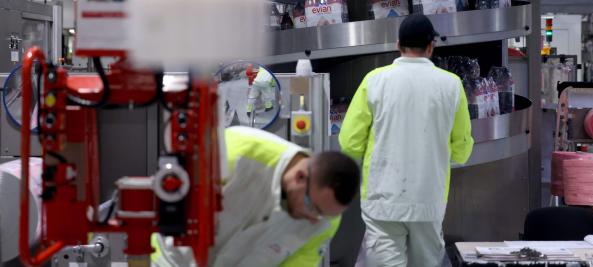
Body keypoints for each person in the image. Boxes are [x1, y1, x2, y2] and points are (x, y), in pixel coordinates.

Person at [339, 14, 474, 267]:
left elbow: (350, 143)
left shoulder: (374, 80)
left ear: (398, 44)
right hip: (428, 199)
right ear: (431, 46)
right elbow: (462, 148)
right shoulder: (452, 85)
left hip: (383, 200)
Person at [153, 126, 360, 267]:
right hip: (170, 261)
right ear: (300, 176)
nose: (314, 220)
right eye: (311, 206)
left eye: (323, 215)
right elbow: (170, 205)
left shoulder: (326, 218)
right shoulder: (237, 152)